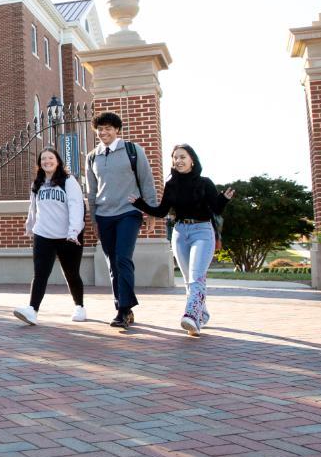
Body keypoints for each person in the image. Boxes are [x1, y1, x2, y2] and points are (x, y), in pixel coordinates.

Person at [128, 144, 235, 336]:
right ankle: (202, 312)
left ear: (192, 160)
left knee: (196, 277)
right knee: (189, 280)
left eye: (182, 157)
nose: (178, 161)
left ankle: (191, 316)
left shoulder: (205, 183)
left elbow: (216, 208)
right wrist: (140, 204)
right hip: (179, 233)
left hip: (202, 231)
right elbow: (161, 211)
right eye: (175, 157)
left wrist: (224, 199)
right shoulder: (171, 185)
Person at [86, 111, 157, 329]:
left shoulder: (133, 150)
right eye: (100, 129)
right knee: (112, 264)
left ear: (117, 130)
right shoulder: (92, 156)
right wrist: (94, 220)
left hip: (129, 212)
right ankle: (123, 306)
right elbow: (91, 191)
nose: (103, 132)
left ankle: (123, 309)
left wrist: (152, 212)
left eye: (108, 128)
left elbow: (147, 182)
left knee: (122, 259)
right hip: (104, 215)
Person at [14, 147, 87, 325]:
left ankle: (79, 306)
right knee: (40, 274)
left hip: (68, 236)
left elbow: (77, 206)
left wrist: (73, 232)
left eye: (51, 158)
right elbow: (33, 208)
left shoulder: (68, 181)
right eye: (43, 159)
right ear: (39, 163)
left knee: (71, 273)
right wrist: (30, 227)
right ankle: (32, 310)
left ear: (58, 161)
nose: (47, 161)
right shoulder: (37, 183)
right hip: (43, 234)